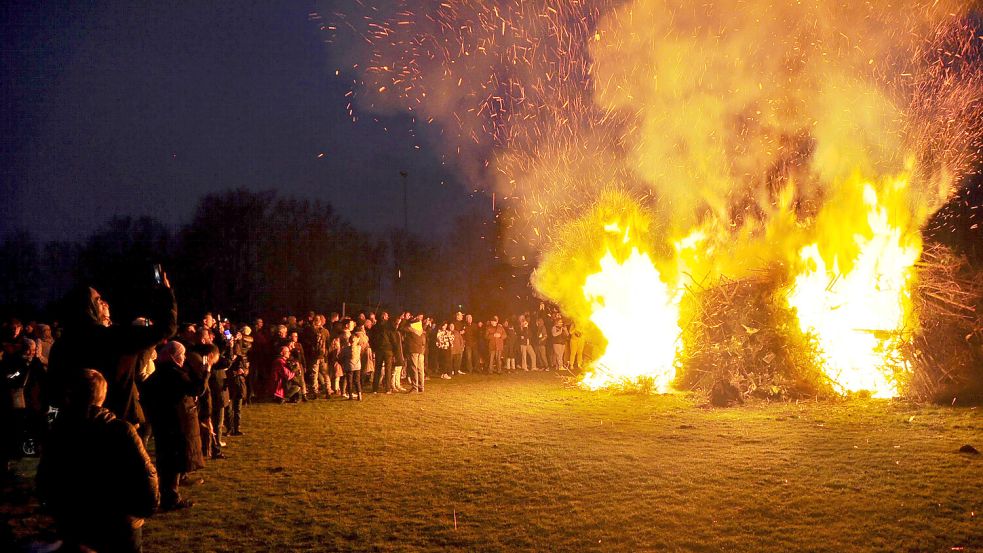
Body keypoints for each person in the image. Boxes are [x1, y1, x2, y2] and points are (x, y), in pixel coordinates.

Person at [38, 369, 159, 553]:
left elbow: (46, 478)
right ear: (103, 395)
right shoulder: (120, 430)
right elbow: (146, 473)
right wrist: (145, 508)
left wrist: (58, 511)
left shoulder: (59, 432)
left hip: (76, 519)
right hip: (119, 521)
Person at [47, 273, 177, 429]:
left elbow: (52, 392)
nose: (103, 303)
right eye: (97, 300)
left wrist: (51, 424)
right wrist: (166, 295)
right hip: (115, 425)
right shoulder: (113, 337)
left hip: (75, 428)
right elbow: (167, 328)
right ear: (89, 307)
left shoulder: (61, 345)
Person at [140, 342, 205, 511]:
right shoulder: (173, 372)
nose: (183, 358)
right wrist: (204, 373)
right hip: (174, 421)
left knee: (167, 459)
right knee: (173, 459)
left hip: (163, 421)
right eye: (181, 355)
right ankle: (171, 497)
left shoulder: (160, 371)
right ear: (174, 356)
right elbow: (195, 389)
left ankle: (167, 494)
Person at [340, 333, 363, 400]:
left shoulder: (345, 349)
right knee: (357, 381)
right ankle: (359, 394)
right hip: (357, 367)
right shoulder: (359, 348)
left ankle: (350, 395)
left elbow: (341, 357)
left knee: (349, 381)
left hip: (349, 367)